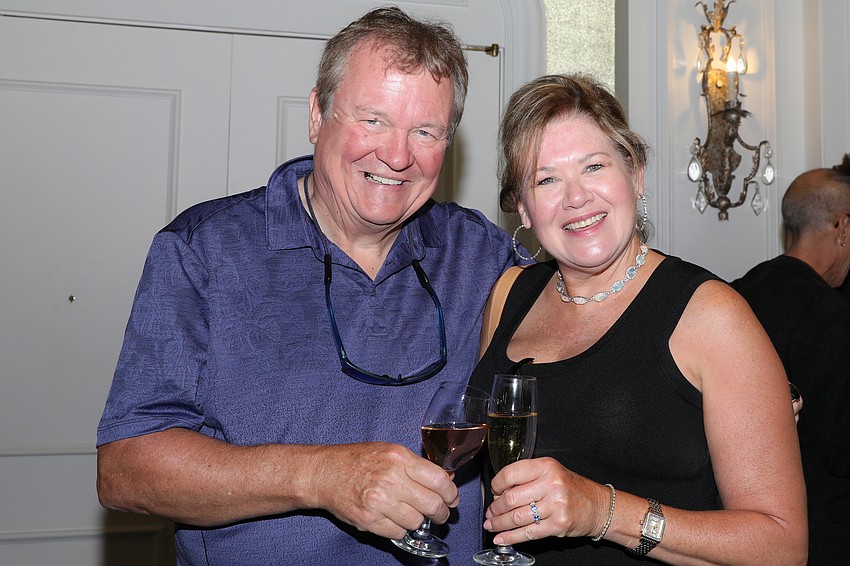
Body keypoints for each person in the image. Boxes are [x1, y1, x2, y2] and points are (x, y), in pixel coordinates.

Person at [96, 7, 525, 565]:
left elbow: (596, 314)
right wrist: (322, 475)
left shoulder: (479, 254)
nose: (397, 156)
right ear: (318, 115)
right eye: (372, 120)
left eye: (425, 131)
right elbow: (125, 470)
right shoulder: (203, 250)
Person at [469, 74, 808, 565]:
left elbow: (782, 545)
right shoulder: (508, 295)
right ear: (523, 208)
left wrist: (602, 511)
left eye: (594, 166)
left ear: (636, 174)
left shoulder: (709, 313)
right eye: (546, 179)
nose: (576, 196)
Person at [731, 155, 850, 565]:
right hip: (822, 532)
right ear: (842, 225)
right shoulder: (829, 312)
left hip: (744, 520)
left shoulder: (735, 292)